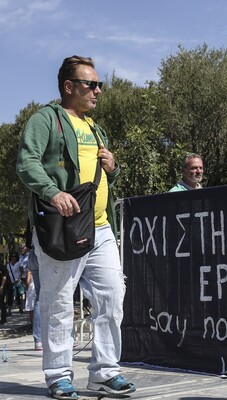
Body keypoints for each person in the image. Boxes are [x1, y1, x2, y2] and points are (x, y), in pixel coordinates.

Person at [16, 55, 135, 399]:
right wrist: (52, 193)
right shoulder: (46, 119)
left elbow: (104, 176)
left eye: (99, 85)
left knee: (112, 298)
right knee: (58, 303)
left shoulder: (96, 127)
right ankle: (58, 375)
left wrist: (113, 168)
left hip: (100, 228)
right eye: (91, 84)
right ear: (69, 87)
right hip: (62, 229)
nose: (98, 90)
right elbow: (27, 162)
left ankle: (105, 372)